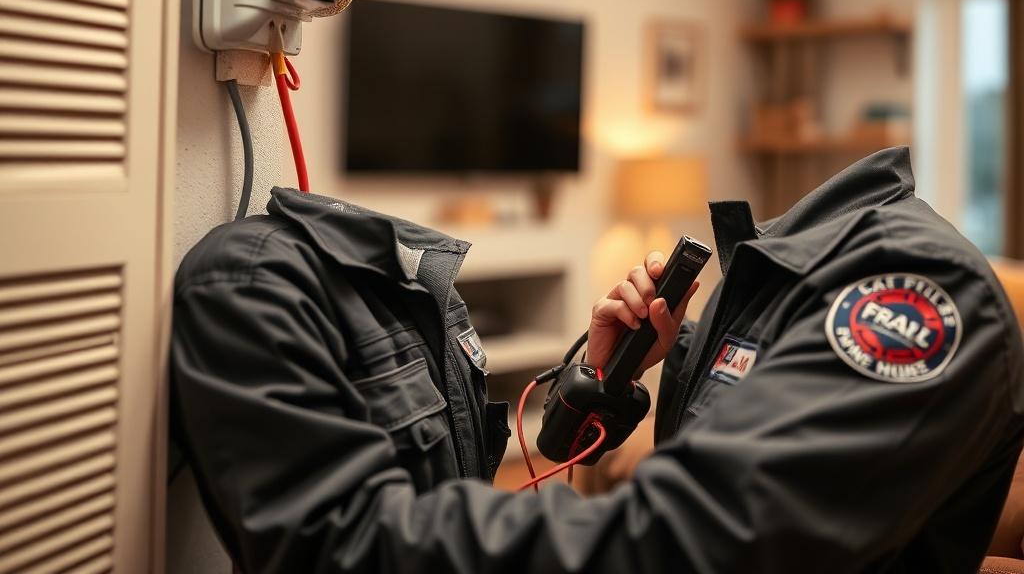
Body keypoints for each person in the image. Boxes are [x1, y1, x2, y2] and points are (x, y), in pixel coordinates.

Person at [171, 147, 1024, 573]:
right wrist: (603, 379)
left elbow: (686, 538)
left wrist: (356, 533)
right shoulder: (765, 281)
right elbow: (579, 433)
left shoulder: (908, 293)